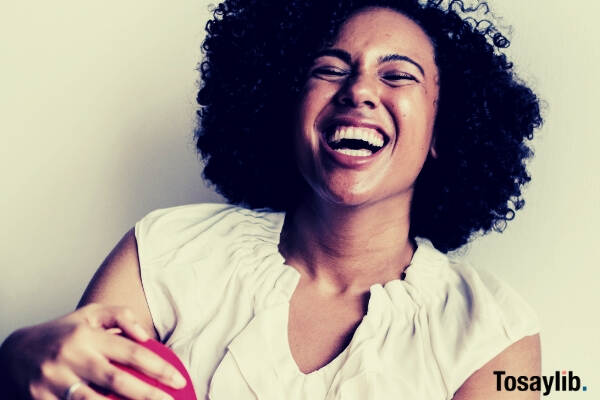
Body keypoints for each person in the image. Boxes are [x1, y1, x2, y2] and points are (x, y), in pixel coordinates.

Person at [0, 0, 543, 399]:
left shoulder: (493, 334)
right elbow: (73, 379)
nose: (358, 91)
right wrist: (15, 363)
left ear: (443, 129)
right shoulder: (165, 252)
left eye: (398, 75)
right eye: (330, 69)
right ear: (287, 105)